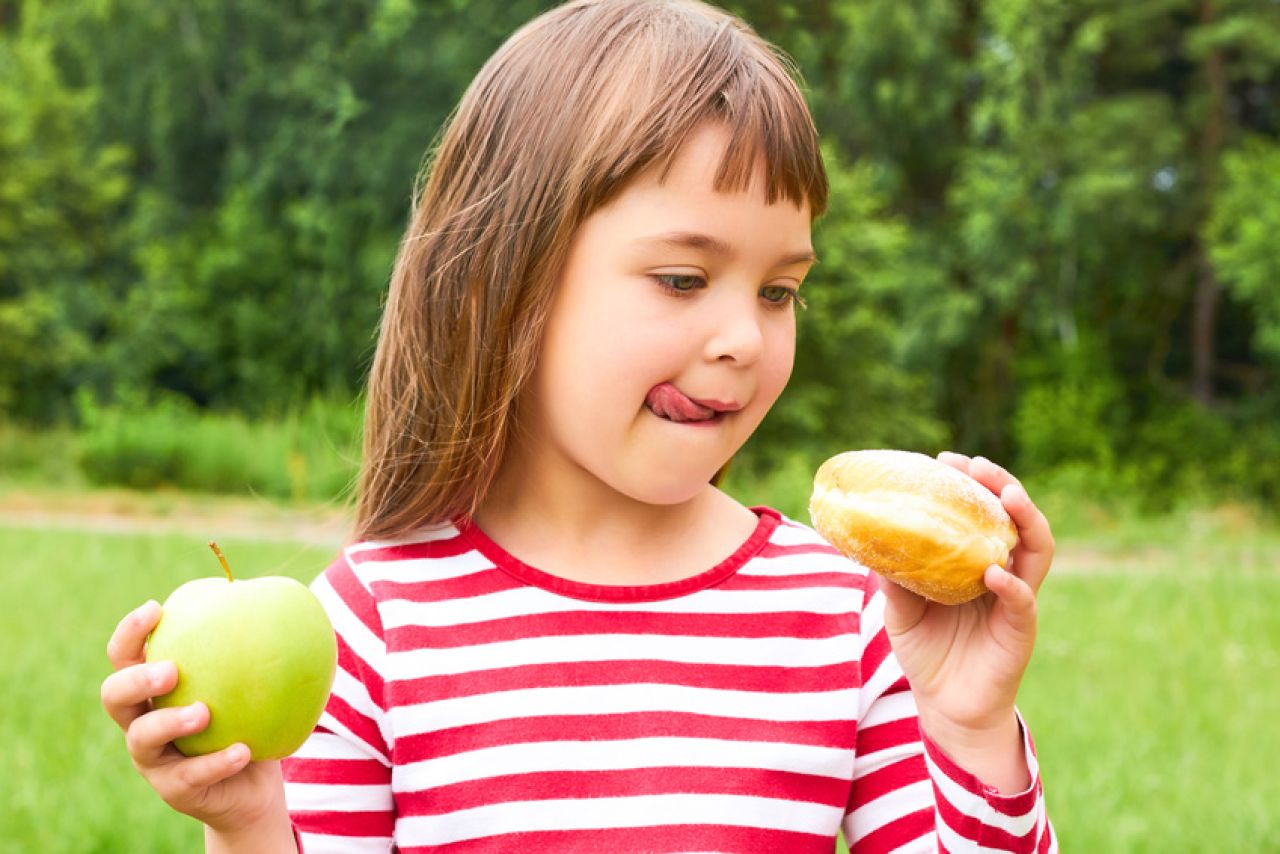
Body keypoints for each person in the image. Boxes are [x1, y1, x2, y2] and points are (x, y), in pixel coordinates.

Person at [101, 0, 1059, 851]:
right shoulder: (373, 628)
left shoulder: (845, 618)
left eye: (779, 291)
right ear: (498, 283)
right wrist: (249, 826)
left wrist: (970, 729)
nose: (743, 338)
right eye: (683, 278)